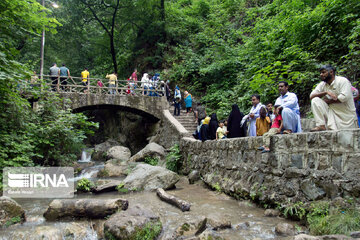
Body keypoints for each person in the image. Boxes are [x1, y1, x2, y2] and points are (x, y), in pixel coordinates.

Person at [310, 65, 358, 131]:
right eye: (320, 73)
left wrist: (328, 101)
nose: (321, 74)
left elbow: (343, 98)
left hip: (345, 115)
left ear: (331, 72)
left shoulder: (343, 81)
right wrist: (325, 92)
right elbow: (311, 96)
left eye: (323, 72)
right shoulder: (322, 84)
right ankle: (321, 125)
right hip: (331, 112)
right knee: (315, 100)